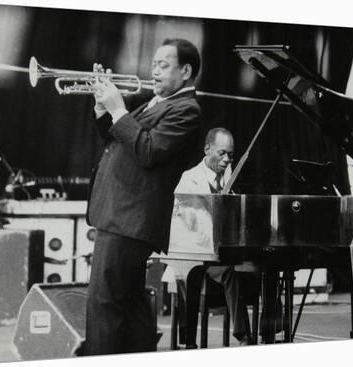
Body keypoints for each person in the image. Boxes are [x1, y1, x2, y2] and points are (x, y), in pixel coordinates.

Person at [83, 38, 202, 355]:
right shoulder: (157, 103)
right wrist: (102, 108)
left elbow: (148, 151)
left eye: (164, 65)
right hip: (122, 215)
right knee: (132, 303)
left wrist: (118, 108)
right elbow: (118, 142)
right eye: (154, 64)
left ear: (186, 71)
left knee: (104, 303)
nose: (155, 71)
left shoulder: (186, 110)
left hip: (130, 218)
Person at [174, 128, 254, 345]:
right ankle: (244, 335)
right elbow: (185, 221)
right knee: (230, 272)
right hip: (195, 254)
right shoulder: (189, 178)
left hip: (221, 251)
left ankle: (271, 326)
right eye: (222, 154)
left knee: (264, 264)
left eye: (231, 155)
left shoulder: (229, 178)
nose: (227, 160)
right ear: (207, 149)